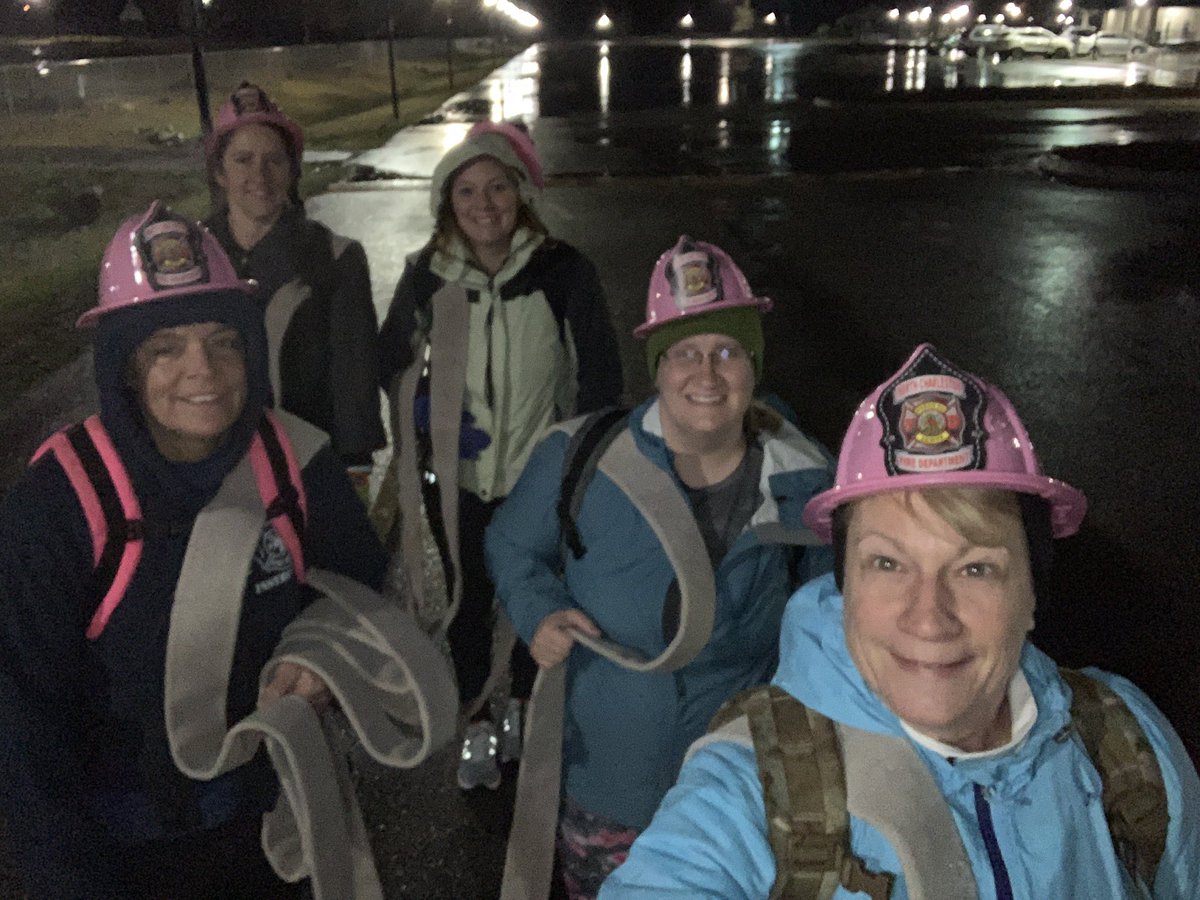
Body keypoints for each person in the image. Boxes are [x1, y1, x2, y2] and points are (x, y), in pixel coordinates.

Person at [600, 343, 1200, 899]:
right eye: (888, 563)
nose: (929, 618)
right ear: (844, 587)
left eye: (975, 569)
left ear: (1031, 592)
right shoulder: (752, 782)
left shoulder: (1126, 744)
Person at [0, 203, 413, 899]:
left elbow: (361, 593)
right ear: (125, 365)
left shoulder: (293, 458)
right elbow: (21, 728)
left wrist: (322, 663)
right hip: (126, 852)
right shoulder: (59, 506)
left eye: (224, 340)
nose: (205, 371)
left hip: (276, 820)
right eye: (165, 346)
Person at [486, 236, 835, 900]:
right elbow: (510, 544)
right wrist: (539, 611)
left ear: (753, 364)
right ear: (657, 365)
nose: (707, 375)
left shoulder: (806, 476)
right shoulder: (577, 457)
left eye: (728, 351)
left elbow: (832, 619)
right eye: (685, 353)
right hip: (607, 785)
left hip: (744, 786)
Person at [378, 121, 623, 792]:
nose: (483, 206)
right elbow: (392, 360)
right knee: (466, 598)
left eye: (497, 188)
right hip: (457, 473)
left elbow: (600, 374)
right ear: (446, 203)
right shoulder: (428, 274)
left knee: (529, 596)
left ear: (521, 193)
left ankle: (519, 704)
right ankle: (476, 714)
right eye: (466, 192)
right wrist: (427, 411)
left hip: (533, 479)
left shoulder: (561, 269)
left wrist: (574, 461)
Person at [204, 81, 385, 490]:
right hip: (217, 467)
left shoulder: (337, 258)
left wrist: (355, 467)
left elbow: (354, 377)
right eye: (243, 160)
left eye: (274, 160)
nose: (259, 176)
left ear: (293, 168)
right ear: (219, 172)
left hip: (306, 467)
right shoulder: (195, 259)